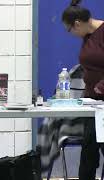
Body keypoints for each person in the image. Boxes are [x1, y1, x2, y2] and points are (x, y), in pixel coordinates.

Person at [62, 0, 104, 179]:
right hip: (92, 102)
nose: (71, 34)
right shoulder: (87, 35)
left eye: (69, 29)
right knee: (88, 151)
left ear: (77, 23)